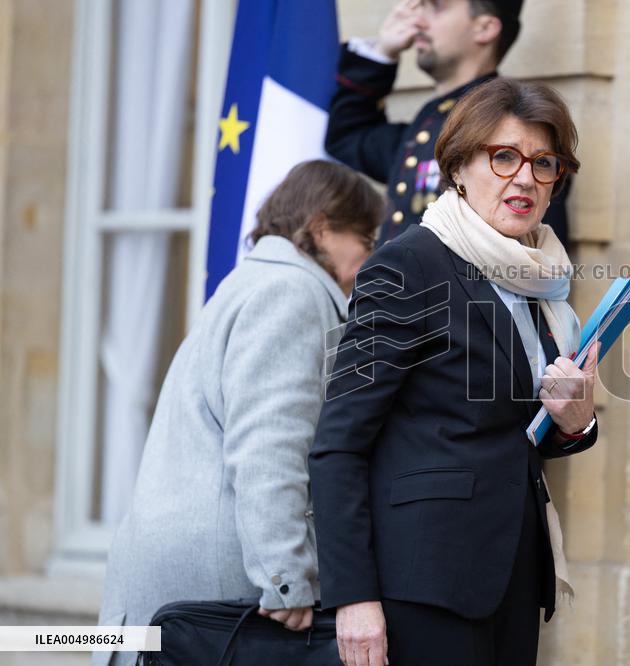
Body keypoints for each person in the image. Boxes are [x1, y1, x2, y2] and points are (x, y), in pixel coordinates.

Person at [310, 78, 599, 666]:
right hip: (425, 583)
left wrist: (577, 421)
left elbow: (517, 430)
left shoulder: (541, 276)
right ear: (459, 167)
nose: (524, 178)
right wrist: (354, 597)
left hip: (514, 573)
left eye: (544, 164)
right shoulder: (407, 264)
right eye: (503, 157)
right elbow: (339, 443)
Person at [92, 161, 384, 666]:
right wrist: (286, 576)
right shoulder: (290, 294)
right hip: (217, 592)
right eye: (366, 238)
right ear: (321, 228)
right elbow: (268, 449)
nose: (370, 256)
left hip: (185, 585)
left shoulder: (252, 282)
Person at [326, 0, 572, 247]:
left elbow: (536, 260)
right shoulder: (430, 119)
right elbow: (347, 136)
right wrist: (381, 53)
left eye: (436, 7)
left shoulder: (515, 124)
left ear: (485, 28)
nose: (418, 21)